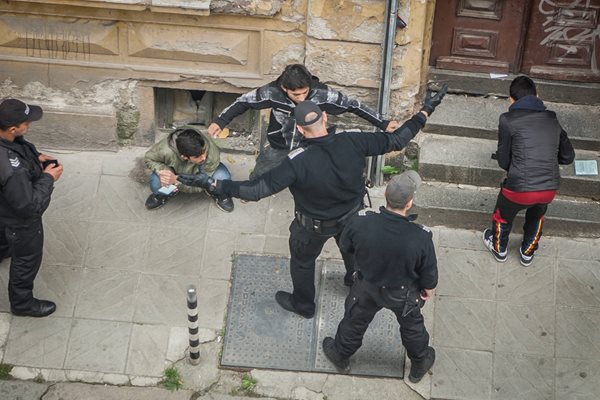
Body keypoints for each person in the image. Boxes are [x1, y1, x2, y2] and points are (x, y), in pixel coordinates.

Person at [180, 85, 447, 319]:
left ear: (298, 128)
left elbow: (256, 189)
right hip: (353, 219)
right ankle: (353, 281)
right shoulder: (353, 140)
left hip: (312, 227)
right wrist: (425, 111)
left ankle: (304, 304)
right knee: (354, 253)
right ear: (325, 117)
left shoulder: (296, 162)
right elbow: (397, 139)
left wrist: (215, 184)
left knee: (303, 263)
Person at [321, 171, 437, 383]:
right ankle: (419, 363)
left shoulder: (360, 222)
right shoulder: (420, 237)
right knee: (412, 328)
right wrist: (427, 289)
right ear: (409, 203)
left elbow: (346, 246)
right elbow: (429, 273)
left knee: (355, 321)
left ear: (385, 194)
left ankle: (341, 354)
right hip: (403, 294)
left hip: (367, 286)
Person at [207, 64, 400, 178]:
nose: (301, 97)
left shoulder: (323, 94)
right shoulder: (271, 92)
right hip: (279, 144)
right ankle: (255, 188)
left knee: (314, 173)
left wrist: (382, 123)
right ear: (284, 88)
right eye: (295, 94)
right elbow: (243, 102)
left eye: (304, 93)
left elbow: (354, 105)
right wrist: (221, 121)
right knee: (262, 171)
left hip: (312, 144)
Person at [482, 76, 575, 266]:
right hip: (548, 189)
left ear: (511, 99)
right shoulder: (552, 119)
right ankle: (528, 251)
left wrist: (517, 168)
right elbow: (568, 157)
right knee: (537, 215)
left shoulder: (507, 120)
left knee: (502, 216)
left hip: (517, 189)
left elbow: (503, 160)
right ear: (537, 94)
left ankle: (499, 248)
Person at [0, 98, 63, 317]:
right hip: (20, 221)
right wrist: (48, 178)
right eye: (26, 123)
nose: (30, 125)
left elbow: (17, 149)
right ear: (13, 128)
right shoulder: (12, 170)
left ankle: (3, 249)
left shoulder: (7, 140)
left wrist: (36, 158)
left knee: (3, 235)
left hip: (3, 209)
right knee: (26, 260)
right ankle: (22, 304)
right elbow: (29, 206)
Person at [144, 126, 234, 212]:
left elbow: (204, 181)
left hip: (200, 174)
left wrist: (177, 181)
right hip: (175, 170)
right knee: (155, 184)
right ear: (184, 157)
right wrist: (164, 171)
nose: (203, 157)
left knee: (223, 178)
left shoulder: (211, 152)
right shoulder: (164, 150)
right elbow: (149, 158)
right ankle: (163, 194)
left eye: (204, 152)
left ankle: (215, 193)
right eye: (198, 156)